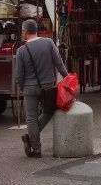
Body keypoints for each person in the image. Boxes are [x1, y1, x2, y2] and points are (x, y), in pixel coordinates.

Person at [14, 19, 68, 158]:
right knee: (49, 111)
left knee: (31, 118)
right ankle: (30, 137)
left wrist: (22, 88)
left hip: (29, 88)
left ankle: (36, 150)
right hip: (48, 86)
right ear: (36, 30)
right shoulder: (48, 43)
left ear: (25, 32)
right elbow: (59, 63)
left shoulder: (21, 50)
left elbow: (18, 75)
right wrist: (67, 77)